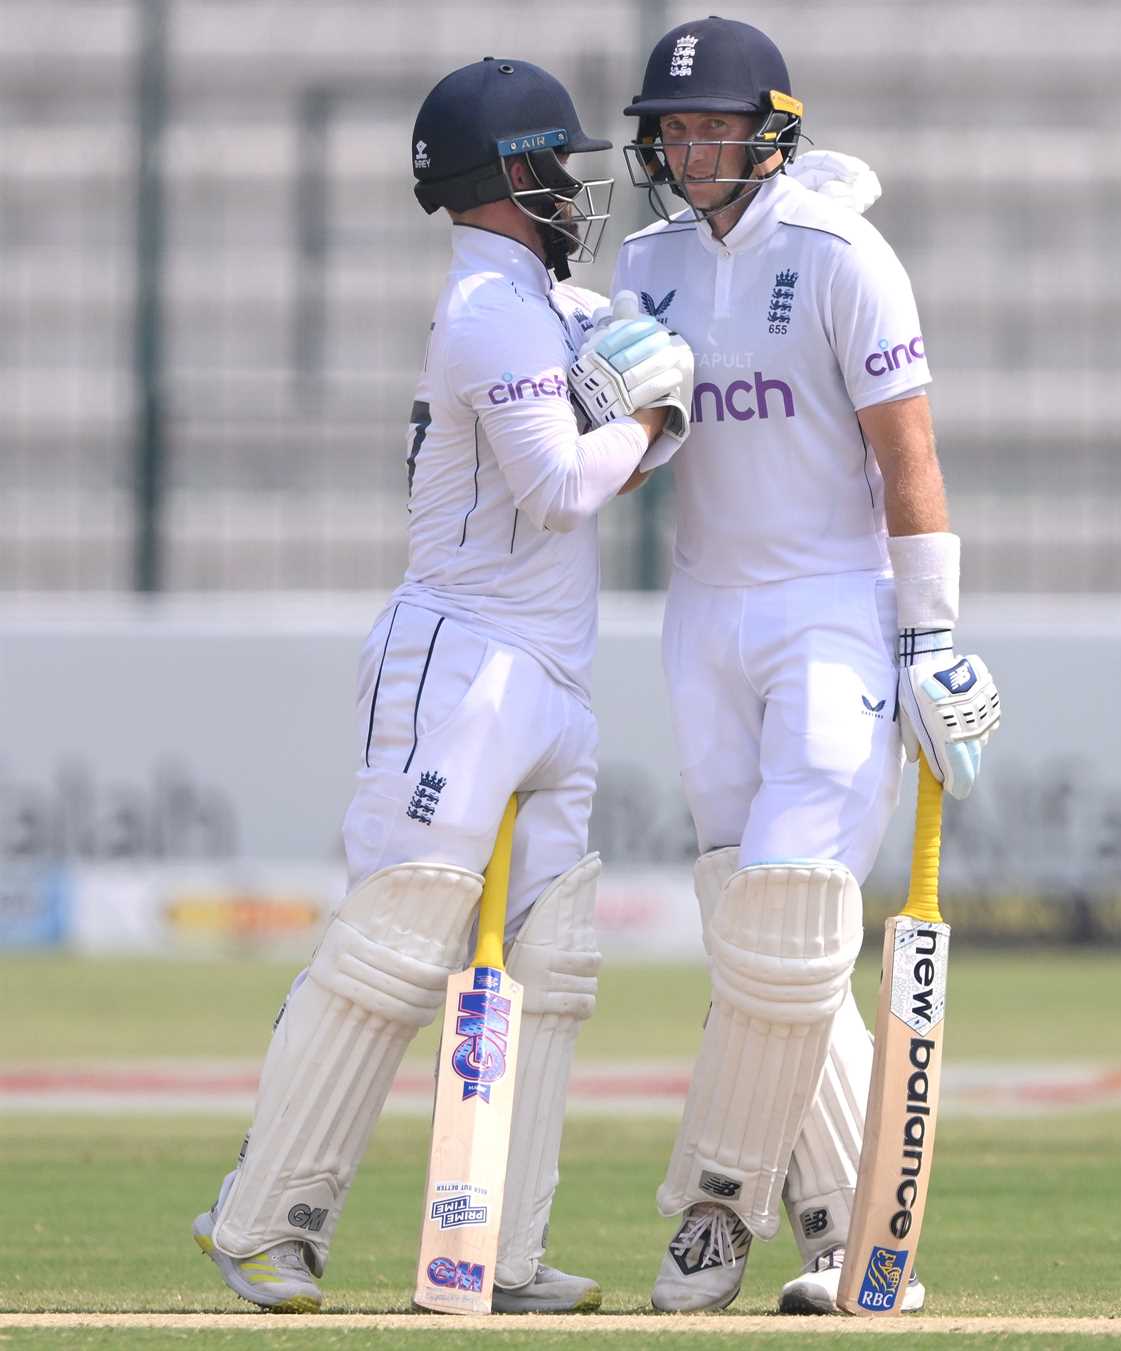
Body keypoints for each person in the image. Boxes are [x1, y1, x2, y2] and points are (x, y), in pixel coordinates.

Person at [191, 56, 692, 1315]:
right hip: (461, 661)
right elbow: (562, 486)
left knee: (550, 965)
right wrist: (652, 421)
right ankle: (264, 1220)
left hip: (550, 672)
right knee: (394, 950)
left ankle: (499, 1250)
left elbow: (603, 433)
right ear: (511, 173)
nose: (576, 189)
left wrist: (643, 393)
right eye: (559, 167)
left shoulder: (542, 300)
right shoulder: (486, 307)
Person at [611, 16, 1001, 1315]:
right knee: (764, 940)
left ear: (770, 129)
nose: (688, 144)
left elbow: (909, 454)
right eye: (671, 126)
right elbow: (648, 450)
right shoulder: (646, 260)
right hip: (704, 613)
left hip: (833, 607)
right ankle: (839, 1223)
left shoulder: (845, 257)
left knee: (786, 894)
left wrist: (929, 631)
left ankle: (714, 1202)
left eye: (712, 122)